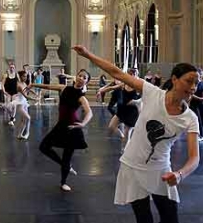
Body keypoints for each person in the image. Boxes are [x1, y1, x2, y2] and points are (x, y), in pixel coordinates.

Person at [73, 45, 200, 223]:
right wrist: (87, 54)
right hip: (132, 167)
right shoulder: (152, 93)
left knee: (171, 218)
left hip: (161, 171)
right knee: (143, 218)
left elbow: (195, 158)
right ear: (174, 79)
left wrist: (180, 174)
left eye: (197, 83)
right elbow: (117, 73)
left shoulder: (190, 118)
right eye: (189, 81)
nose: (194, 87)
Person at [30, 69, 93, 192]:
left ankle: (63, 182)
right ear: (76, 76)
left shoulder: (81, 97)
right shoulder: (63, 88)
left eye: (84, 77)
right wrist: (33, 84)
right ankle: (66, 166)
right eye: (80, 75)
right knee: (44, 147)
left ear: (86, 82)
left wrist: (83, 124)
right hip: (60, 126)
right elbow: (47, 85)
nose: (81, 78)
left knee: (67, 156)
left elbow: (89, 112)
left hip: (72, 127)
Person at [14, 70, 39, 140]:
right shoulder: (18, 85)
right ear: (20, 76)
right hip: (19, 104)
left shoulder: (24, 83)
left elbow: (28, 89)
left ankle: (19, 134)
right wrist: (34, 99)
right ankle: (27, 133)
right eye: (24, 76)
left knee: (23, 120)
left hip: (24, 103)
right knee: (28, 118)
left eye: (26, 76)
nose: (25, 78)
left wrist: (34, 93)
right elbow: (26, 96)